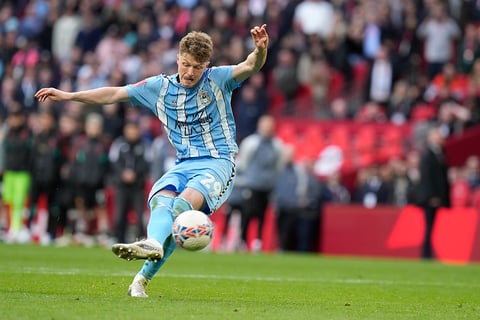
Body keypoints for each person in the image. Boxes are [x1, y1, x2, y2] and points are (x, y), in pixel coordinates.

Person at [35, 24, 269, 297]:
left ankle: (149, 256)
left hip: (219, 162)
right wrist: (69, 96)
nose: (190, 72)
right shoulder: (159, 87)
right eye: (185, 64)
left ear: (207, 65)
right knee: (160, 200)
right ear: (178, 58)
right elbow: (113, 93)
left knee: (181, 206)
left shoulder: (218, 79)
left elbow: (250, 65)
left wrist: (260, 50)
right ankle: (146, 263)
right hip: (183, 164)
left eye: (197, 67)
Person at [108, 120, 151, 243]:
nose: (132, 133)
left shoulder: (144, 145)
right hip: (121, 185)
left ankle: (140, 239)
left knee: (139, 215)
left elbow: (147, 162)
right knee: (119, 214)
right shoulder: (119, 144)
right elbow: (113, 161)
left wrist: (135, 174)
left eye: (134, 130)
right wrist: (123, 173)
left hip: (138, 186)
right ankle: (118, 239)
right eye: (129, 130)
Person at [416, 125, 450, 260]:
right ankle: (426, 254)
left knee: (432, 227)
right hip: (430, 198)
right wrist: (432, 196)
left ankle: (428, 253)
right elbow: (427, 178)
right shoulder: (428, 155)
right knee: (429, 226)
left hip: (437, 197)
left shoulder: (439, 153)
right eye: (437, 135)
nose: (440, 137)